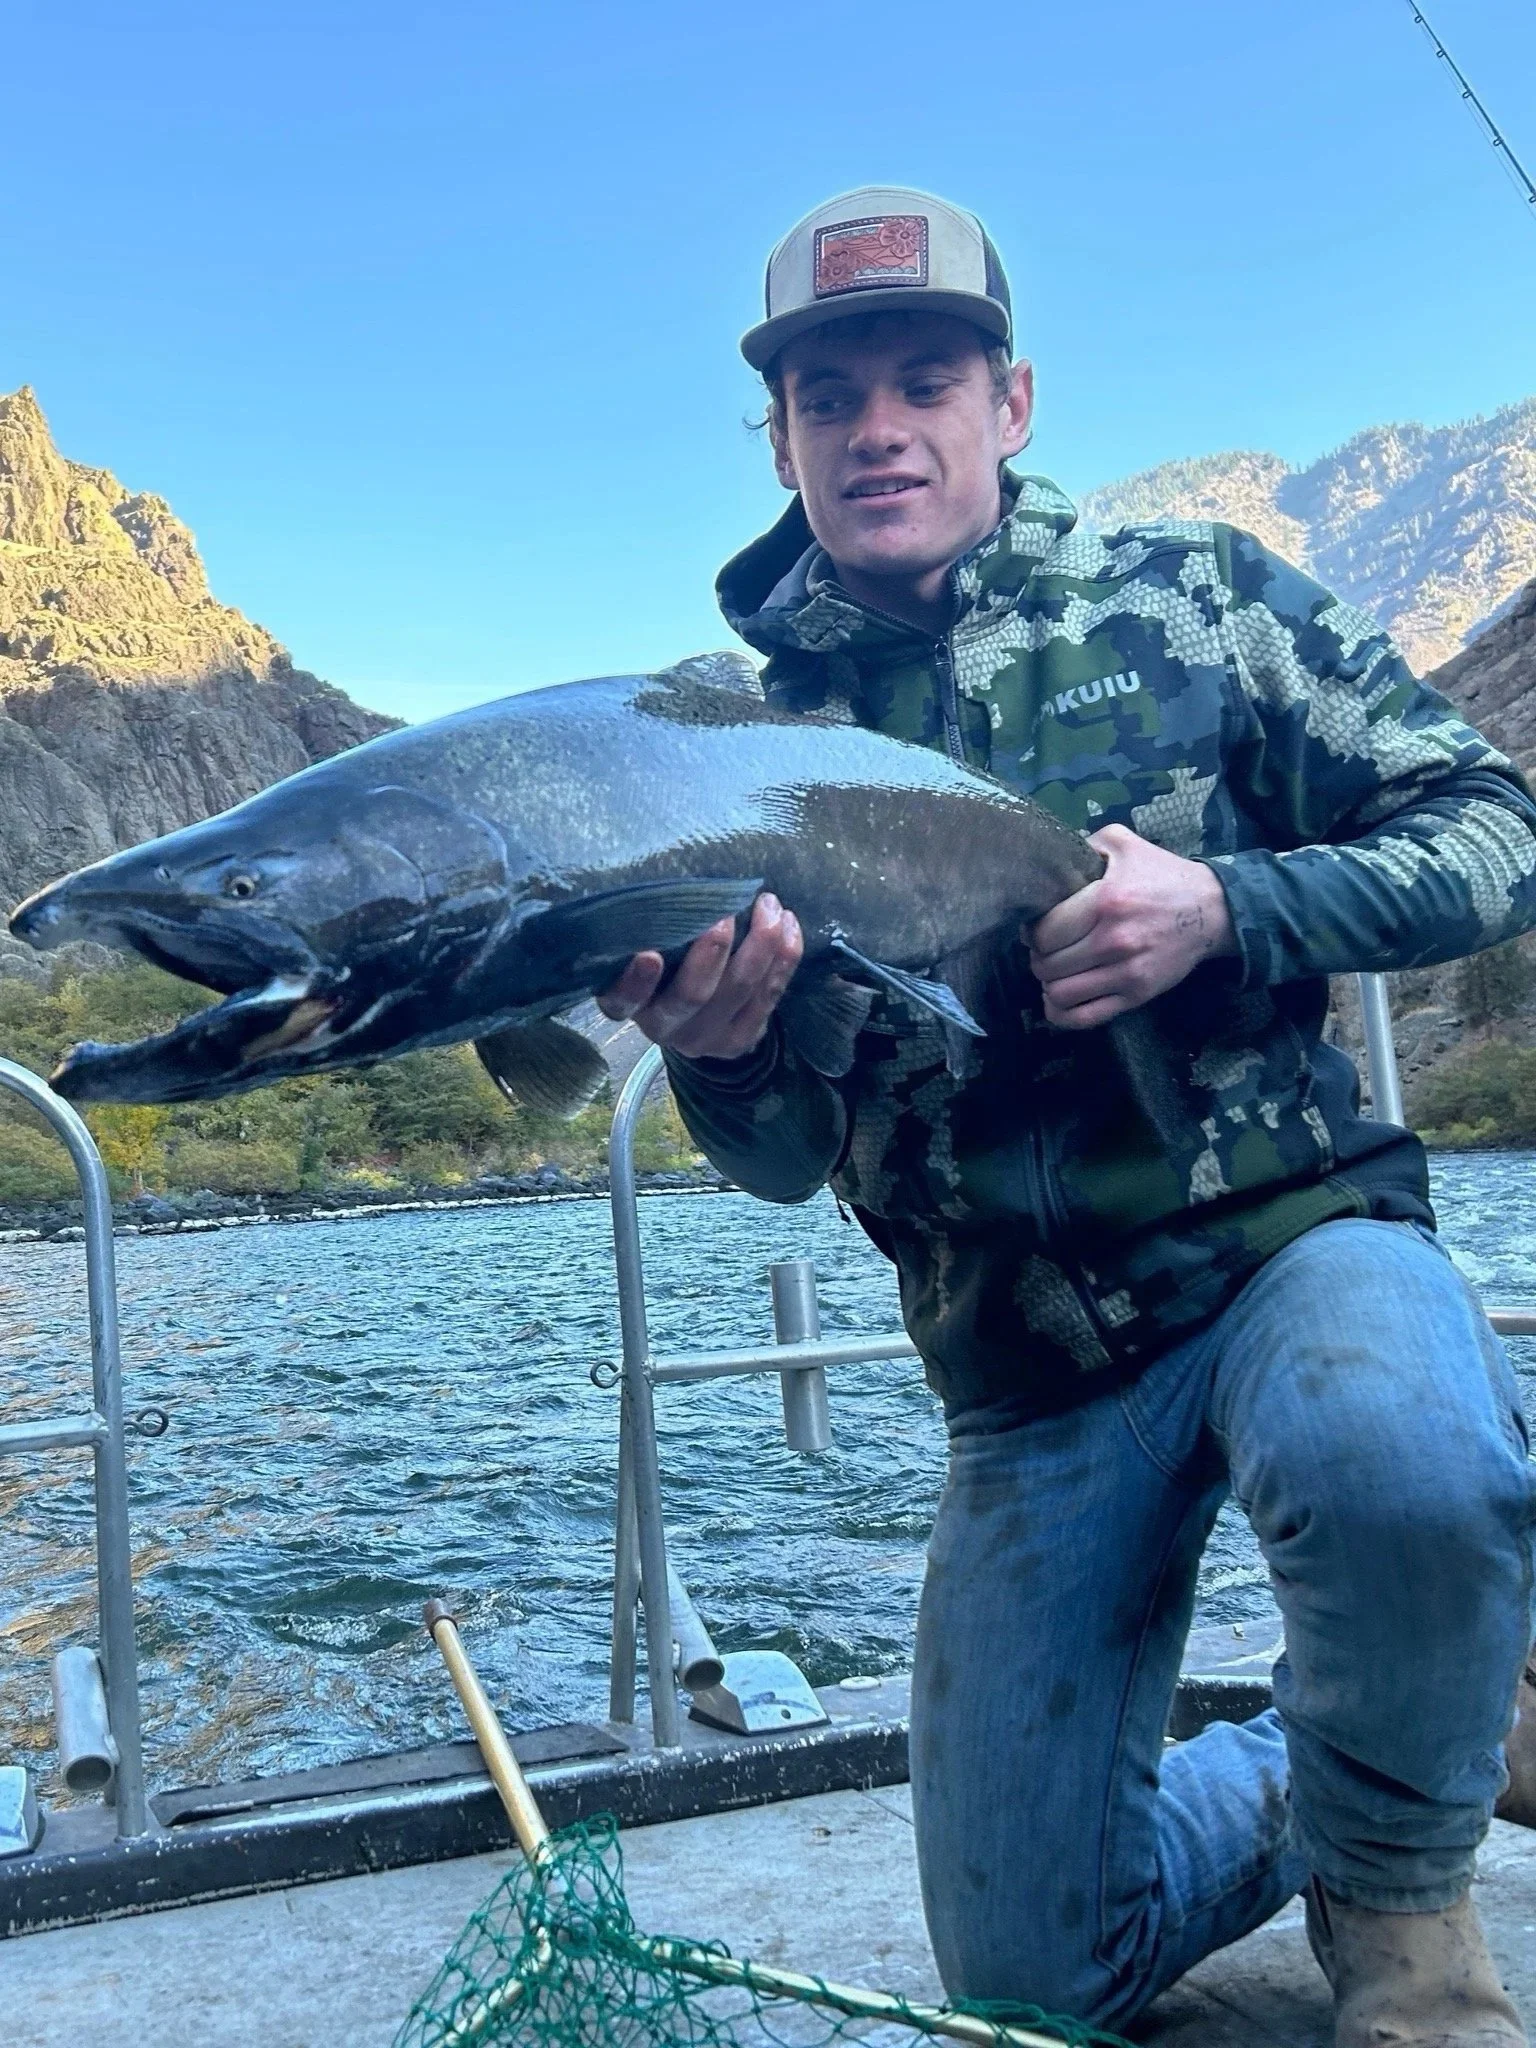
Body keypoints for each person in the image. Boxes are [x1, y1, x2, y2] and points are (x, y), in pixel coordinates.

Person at [598, 186, 1536, 2045]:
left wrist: (1229, 908)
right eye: (828, 396)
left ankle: (1406, 1924)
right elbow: (778, 1164)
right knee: (1036, 1981)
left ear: (1009, 404)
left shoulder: (1204, 599)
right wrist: (717, 1053)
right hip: (1024, 1377)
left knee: (1406, 1464)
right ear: (780, 442)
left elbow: (1497, 833)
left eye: (924, 381)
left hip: (1293, 1248)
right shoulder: (717, 743)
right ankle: (1406, 1739)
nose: (878, 428)